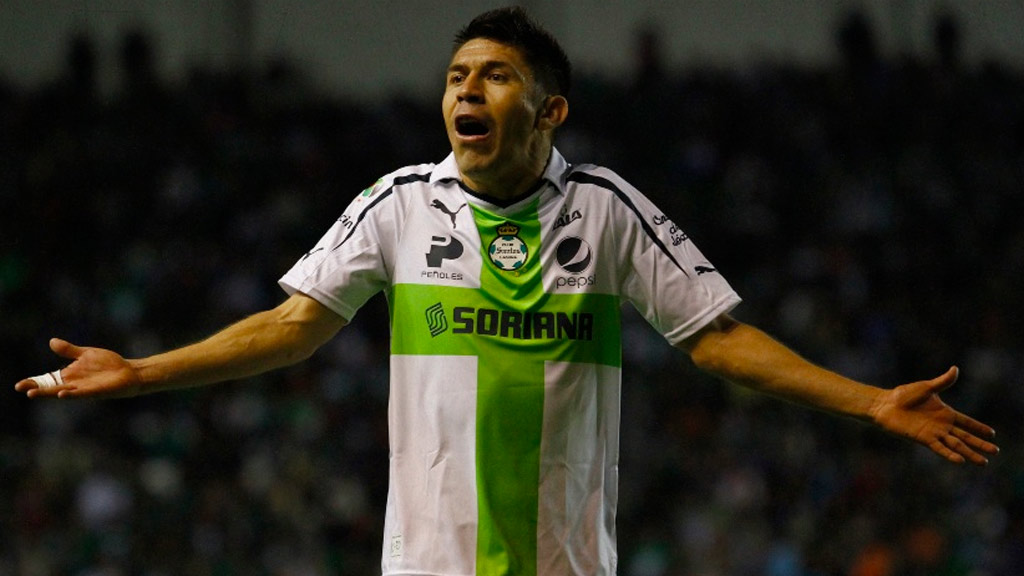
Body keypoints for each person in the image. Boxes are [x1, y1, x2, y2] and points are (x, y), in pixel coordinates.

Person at [16, 6, 998, 576]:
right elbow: (291, 326)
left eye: (492, 75)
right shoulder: (400, 204)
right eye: (456, 75)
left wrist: (870, 400)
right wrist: (141, 371)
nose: (465, 91)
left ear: (549, 109)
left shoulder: (607, 210)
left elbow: (717, 339)